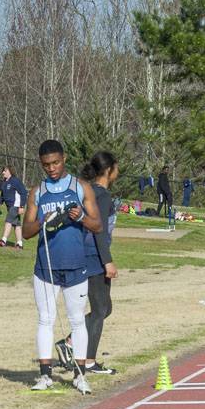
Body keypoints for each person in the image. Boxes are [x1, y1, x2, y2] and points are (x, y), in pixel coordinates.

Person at [23, 140, 103, 394]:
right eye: (46, 165)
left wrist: (80, 217)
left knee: (77, 320)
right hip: (46, 269)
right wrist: (42, 222)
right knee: (46, 320)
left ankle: (80, 375)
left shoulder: (80, 187)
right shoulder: (37, 191)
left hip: (76, 266)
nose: (52, 168)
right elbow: (25, 231)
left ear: (64, 159)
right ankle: (45, 375)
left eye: (55, 163)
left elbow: (98, 225)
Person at [78, 151, 120, 375]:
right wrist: (108, 262)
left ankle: (69, 342)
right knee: (100, 309)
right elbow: (99, 231)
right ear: (108, 170)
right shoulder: (102, 196)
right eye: (116, 166)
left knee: (105, 308)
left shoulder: (87, 191)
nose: (118, 170)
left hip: (84, 255)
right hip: (95, 258)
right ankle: (89, 361)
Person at [0, 166, 27, 249]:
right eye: (3, 171)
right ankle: (20, 244)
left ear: (9, 171)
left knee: (8, 221)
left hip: (15, 205)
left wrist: (22, 206)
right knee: (17, 225)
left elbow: (24, 192)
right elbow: (2, 195)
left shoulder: (15, 181)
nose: (3, 172)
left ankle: (3, 241)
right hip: (10, 207)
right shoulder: (5, 182)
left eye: (4, 171)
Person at [156, 165, 174, 229]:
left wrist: (168, 191)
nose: (167, 171)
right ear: (163, 170)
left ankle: (168, 213)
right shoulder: (162, 176)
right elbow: (162, 185)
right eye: (166, 169)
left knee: (170, 200)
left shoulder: (165, 176)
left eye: (168, 170)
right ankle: (157, 213)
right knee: (161, 201)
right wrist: (166, 192)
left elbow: (166, 185)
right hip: (161, 192)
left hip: (165, 192)